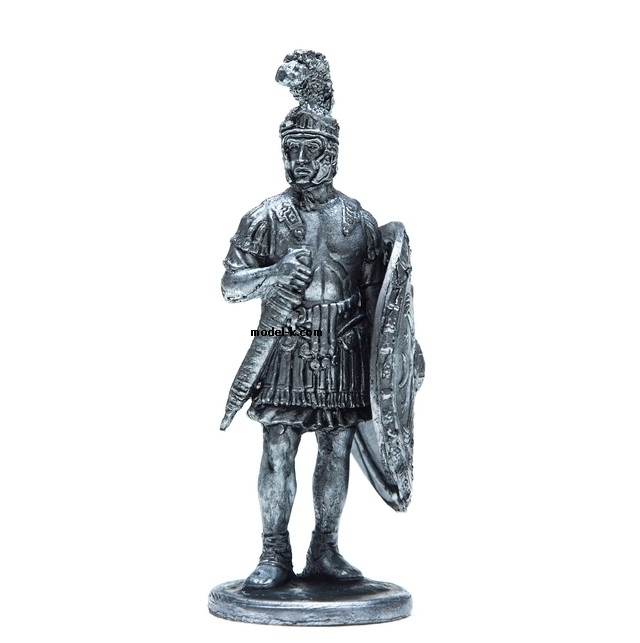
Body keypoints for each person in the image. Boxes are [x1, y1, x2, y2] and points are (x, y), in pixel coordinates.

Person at [221, 51, 385, 590]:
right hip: (285, 341)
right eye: (290, 152)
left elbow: (380, 298)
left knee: (336, 447)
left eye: (309, 152)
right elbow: (230, 285)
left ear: (332, 155)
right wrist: (271, 274)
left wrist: (397, 352)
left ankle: (325, 550)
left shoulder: (358, 219)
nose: (297, 163)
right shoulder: (265, 217)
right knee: (278, 444)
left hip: (343, 345)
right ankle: (273, 552)